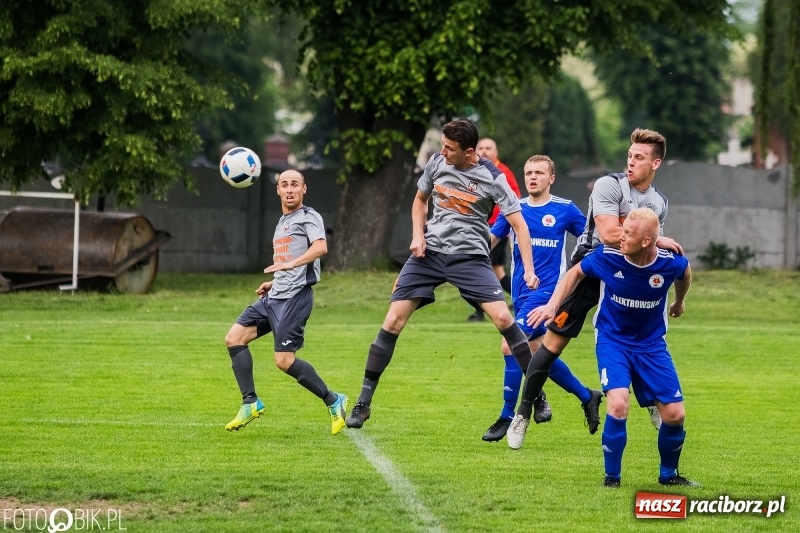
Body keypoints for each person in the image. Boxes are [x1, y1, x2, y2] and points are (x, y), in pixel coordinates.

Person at [346, 118, 540, 429]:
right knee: (393, 320)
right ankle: (363, 402)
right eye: (442, 146)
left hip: (471, 258)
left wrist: (528, 270)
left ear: (469, 151)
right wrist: (417, 235)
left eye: (449, 148)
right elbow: (419, 200)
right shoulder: (437, 162)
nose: (442, 152)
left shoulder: (494, 177)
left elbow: (519, 225)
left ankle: (537, 392)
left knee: (504, 319)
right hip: (430, 254)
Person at [505, 128, 682, 442]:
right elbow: (610, 234)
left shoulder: (659, 202)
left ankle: (652, 401)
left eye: (639, 158)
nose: (631, 162)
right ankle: (522, 414)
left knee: (639, 339)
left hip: (629, 273)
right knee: (551, 345)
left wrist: (660, 256)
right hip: (591, 265)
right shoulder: (609, 185)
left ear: (655, 164)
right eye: (629, 155)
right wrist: (658, 238)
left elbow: (648, 249)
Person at [517, 208, 698, 488]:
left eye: (628, 234)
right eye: (622, 231)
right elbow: (575, 273)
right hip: (613, 342)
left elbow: (685, 272)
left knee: (676, 415)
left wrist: (679, 301)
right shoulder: (606, 257)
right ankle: (611, 478)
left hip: (652, 346)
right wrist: (552, 306)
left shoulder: (668, 263)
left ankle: (669, 476)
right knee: (618, 404)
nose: (620, 238)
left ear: (647, 242)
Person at [482, 155, 603, 442]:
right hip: (522, 294)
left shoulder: (564, 210)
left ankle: (508, 415)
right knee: (537, 353)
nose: (532, 177)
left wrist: (585, 271)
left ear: (552, 178)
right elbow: (490, 242)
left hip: (549, 293)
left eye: (539, 172)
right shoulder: (514, 209)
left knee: (510, 346)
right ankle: (587, 396)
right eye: (528, 173)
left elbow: (593, 239)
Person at [223, 169, 348, 435]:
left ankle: (333, 399)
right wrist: (276, 279)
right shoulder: (282, 222)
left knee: (283, 360)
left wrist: (291, 264)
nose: (289, 189)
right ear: (278, 190)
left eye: (295, 184)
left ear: (304, 189)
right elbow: (287, 259)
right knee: (234, 338)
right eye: (284, 185)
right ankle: (250, 402)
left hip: (295, 299)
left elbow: (320, 247)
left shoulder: (308, 216)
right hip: (275, 296)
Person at [464, 138, 522, 322]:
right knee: (497, 271)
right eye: (481, 148)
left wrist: (504, 225)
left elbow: (515, 198)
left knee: (478, 268)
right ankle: (520, 298)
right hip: (477, 227)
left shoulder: (502, 172)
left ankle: (480, 311)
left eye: (488, 148)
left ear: (496, 153)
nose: (485, 151)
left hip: (495, 229)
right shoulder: (472, 171)